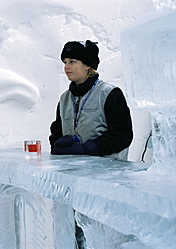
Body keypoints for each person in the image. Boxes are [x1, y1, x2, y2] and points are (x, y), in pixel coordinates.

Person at [49, 40, 133, 248]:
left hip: (106, 182)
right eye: (65, 61)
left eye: (72, 61)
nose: (66, 67)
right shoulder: (65, 98)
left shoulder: (110, 94)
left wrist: (90, 148)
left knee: (102, 236)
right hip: (75, 181)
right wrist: (58, 144)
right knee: (77, 234)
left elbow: (122, 136)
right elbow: (56, 132)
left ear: (88, 65)